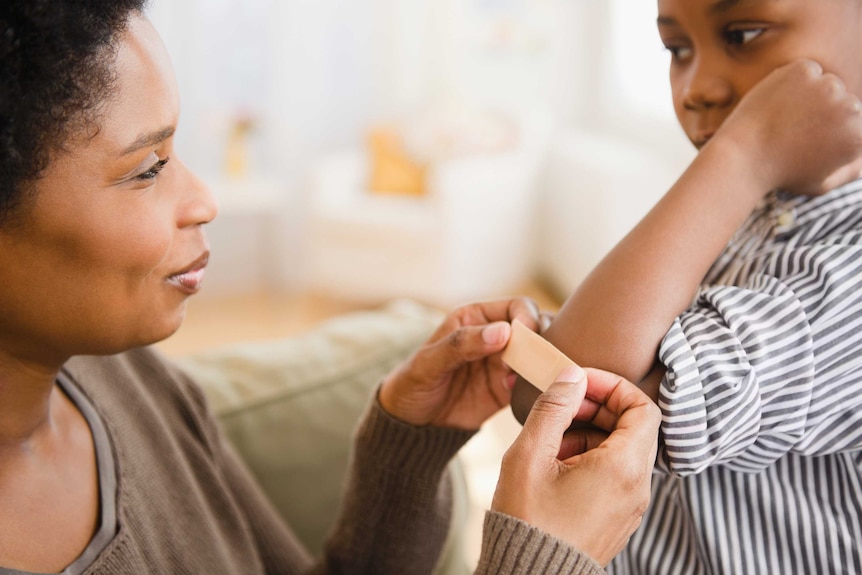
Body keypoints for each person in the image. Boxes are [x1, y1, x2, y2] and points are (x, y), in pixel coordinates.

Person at [0, 2, 662, 574]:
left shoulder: (131, 381)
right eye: (148, 169)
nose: (203, 199)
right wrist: (546, 556)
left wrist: (406, 447)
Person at [512, 0, 862, 573]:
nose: (695, 88)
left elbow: (560, 396)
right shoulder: (746, 211)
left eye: (743, 33)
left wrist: (745, 154)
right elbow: (552, 388)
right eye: (677, 50)